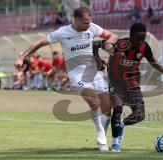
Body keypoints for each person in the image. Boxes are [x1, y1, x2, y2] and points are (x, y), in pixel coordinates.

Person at [15, 7, 118, 151]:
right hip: (76, 73)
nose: (88, 25)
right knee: (94, 102)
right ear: (75, 20)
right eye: (85, 23)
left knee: (107, 107)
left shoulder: (92, 28)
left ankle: (102, 132)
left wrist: (109, 43)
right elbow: (39, 42)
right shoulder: (63, 32)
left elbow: (112, 35)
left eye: (89, 22)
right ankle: (101, 135)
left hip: (94, 72)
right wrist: (21, 57)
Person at [93, 23, 163, 152]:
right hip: (116, 83)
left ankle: (122, 126)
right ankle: (115, 144)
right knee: (118, 108)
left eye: (143, 38)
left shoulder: (144, 47)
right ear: (130, 36)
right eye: (138, 38)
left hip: (133, 84)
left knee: (140, 115)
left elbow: (152, 61)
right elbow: (95, 44)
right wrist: (97, 60)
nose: (140, 41)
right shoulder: (119, 44)